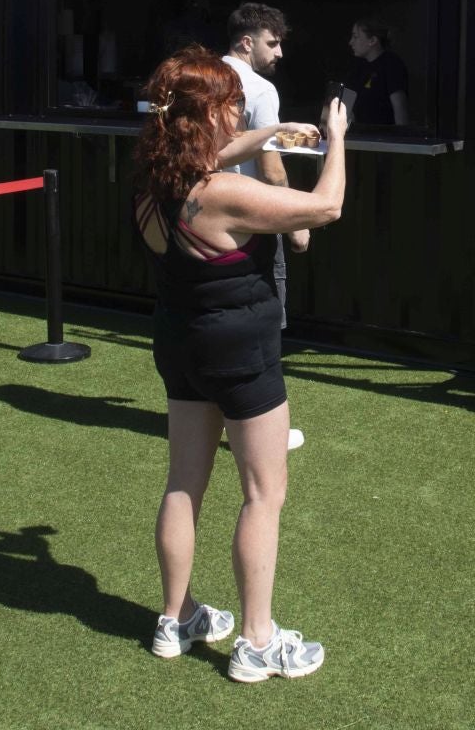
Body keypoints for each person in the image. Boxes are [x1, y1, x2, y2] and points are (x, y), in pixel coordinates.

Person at [133, 48, 347, 682]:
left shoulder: (155, 181)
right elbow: (325, 207)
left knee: (183, 483)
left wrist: (274, 134)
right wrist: (336, 140)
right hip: (239, 350)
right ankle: (257, 640)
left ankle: (176, 619)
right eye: (230, 105)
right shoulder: (222, 194)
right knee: (263, 494)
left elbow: (210, 157)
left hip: (179, 344)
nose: (237, 113)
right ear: (210, 115)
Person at [222, 2, 308, 450]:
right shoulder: (259, 89)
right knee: (265, 322)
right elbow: (270, 166)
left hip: (202, 220)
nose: (278, 53)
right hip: (253, 220)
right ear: (246, 42)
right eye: (272, 43)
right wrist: (295, 222)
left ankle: (220, 421)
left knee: (220, 319)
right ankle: (265, 430)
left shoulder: (200, 79)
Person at [342, 19, 409, 127]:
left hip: (384, 138)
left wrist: (402, 139)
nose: (351, 42)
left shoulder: (391, 64)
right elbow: (346, 105)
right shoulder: (358, 67)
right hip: (360, 138)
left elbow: (399, 107)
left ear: (372, 40)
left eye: (355, 37)